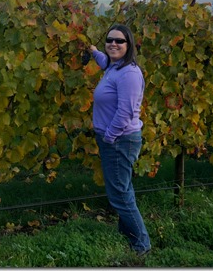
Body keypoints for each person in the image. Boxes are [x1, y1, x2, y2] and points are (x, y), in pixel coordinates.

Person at [89, 24, 151, 255]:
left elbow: (125, 112)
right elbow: (104, 61)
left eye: (119, 41)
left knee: (119, 194)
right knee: (123, 189)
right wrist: (93, 51)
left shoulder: (129, 74)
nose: (113, 44)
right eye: (109, 40)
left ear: (129, 45)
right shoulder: (114, 67)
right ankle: (129, 235)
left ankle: (141, 245)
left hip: (119, 140)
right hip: (116, 140)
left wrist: (109, 137)